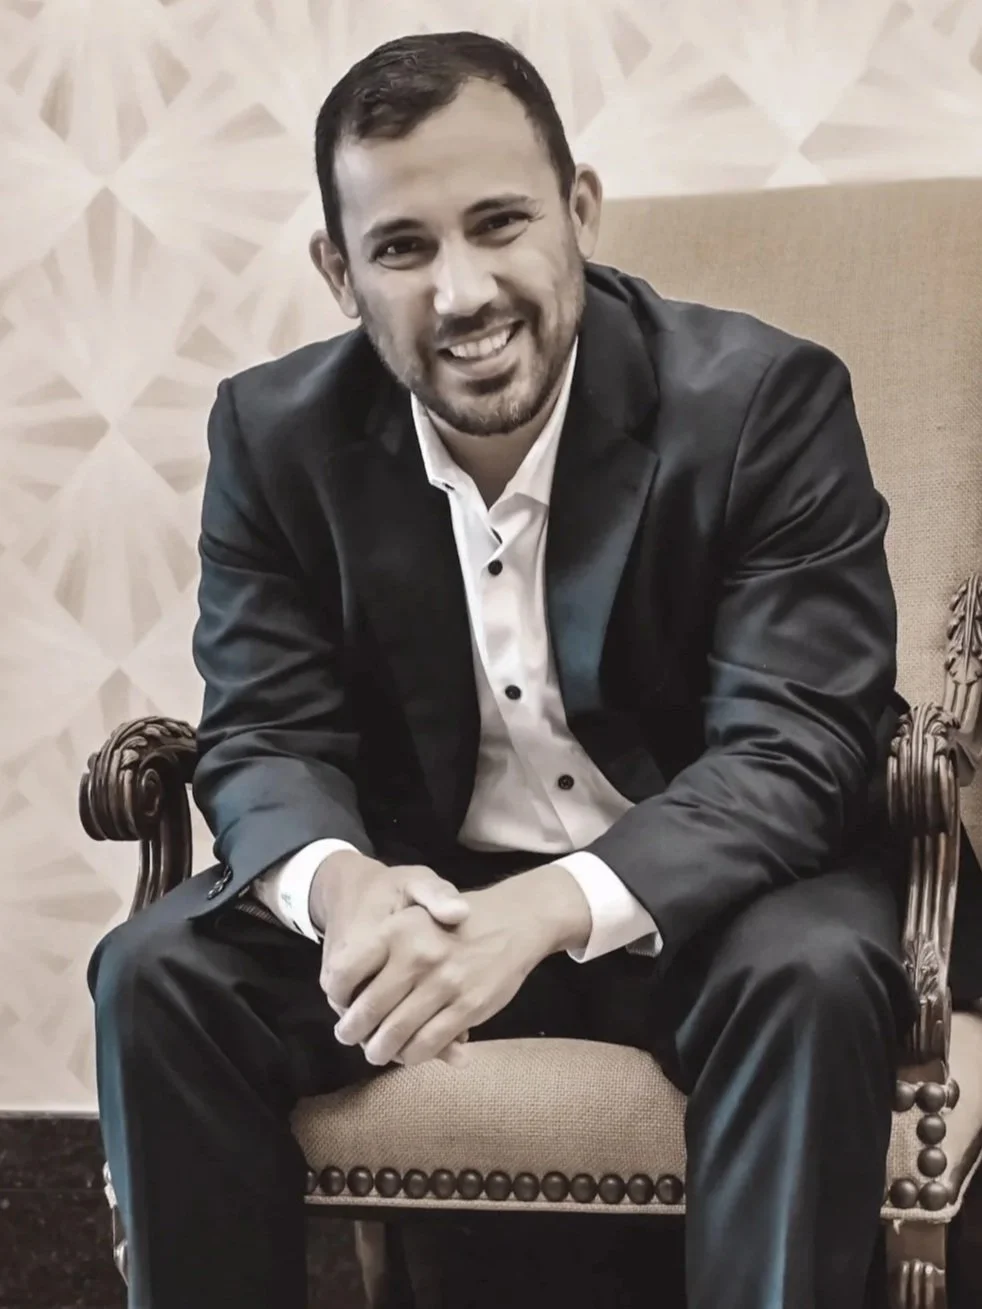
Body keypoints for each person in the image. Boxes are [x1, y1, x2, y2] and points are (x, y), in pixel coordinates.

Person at [87, 29, 927, 1309]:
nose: (464, 291)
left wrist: (541, 913)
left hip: (714, 901)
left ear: (578, 209)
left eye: (499, 224)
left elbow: (796, 749)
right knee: (161, 973)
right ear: (339, 269)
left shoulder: (765, 401)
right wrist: (347, 892)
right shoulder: (273, 436)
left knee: (813, 971)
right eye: (404, 247)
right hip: (431, 892)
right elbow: (265, 733)